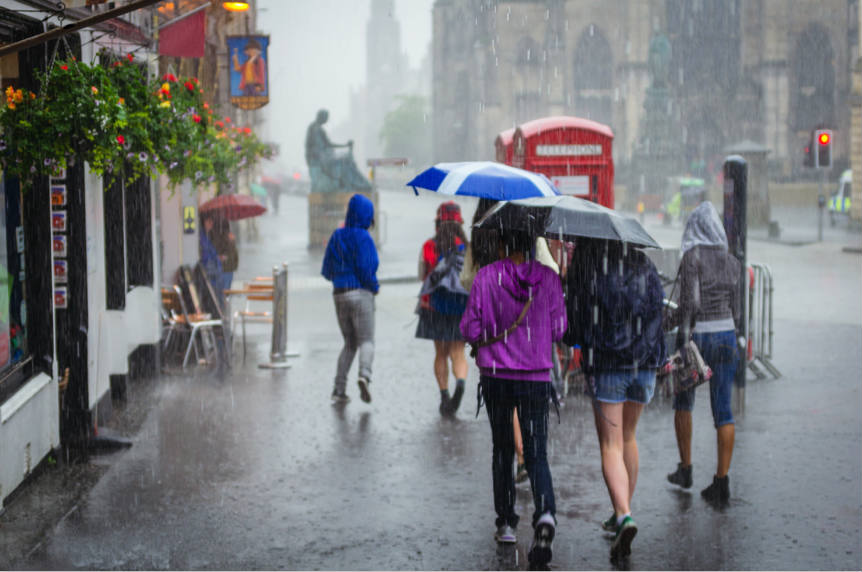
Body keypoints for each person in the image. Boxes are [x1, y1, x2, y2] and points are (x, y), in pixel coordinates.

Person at [460, 228, 566, 569]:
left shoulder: (487, 277)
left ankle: (506, 522)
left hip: (496, 377)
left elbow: (470, 329)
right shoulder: (548, 279)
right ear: (533, 244)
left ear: (504, 243)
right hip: (536, 377)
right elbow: (560, 328)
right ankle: (546, 513)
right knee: (536, 454)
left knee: (503, 448)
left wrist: (492, 335)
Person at [563, 238, 665, 562]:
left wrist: (573, 339)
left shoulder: (589, 267)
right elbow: (657, 310)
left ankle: (623, 515)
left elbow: (576, 320)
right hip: (644, 363)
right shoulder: (644, 264)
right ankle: (623, 512)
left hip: (609, 363)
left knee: (610, 445)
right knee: (629, 437)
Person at [667, 201, 742, 505]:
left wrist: (667, 322)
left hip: (698, 339)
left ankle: (685, 469)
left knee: (683, 402)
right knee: (723, 410)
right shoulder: (732, 261)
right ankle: (721, 482)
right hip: (726, 337)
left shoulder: (691, 258)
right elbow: (737, 310)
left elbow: (690, 306)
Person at [321, 194, 379, 404]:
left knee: (349, 343)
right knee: (366, 341)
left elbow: (326, 270)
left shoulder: (337, 236)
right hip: (360, 293)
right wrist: (374, 286)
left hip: (339, 294)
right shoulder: (363, 238)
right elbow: (367, 268)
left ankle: (339, 389)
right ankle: (364, 375)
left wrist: (340, 278)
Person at [416, 201, 469, 417]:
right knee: (458, 352)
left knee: (440, 353)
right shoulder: (466, 247)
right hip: (460, 305)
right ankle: (461, 383)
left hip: (435, 305)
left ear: (438, 221)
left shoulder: (430, 245)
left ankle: (445, 395)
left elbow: (422, 275)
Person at [209, 215, 238, 300]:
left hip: (224, 268)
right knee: (225, 293)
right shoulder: (229, 236)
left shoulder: (221, 236)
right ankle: (224, 305)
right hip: (229, 267)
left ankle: (223, 307)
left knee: (222, 294)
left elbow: (220, 251)